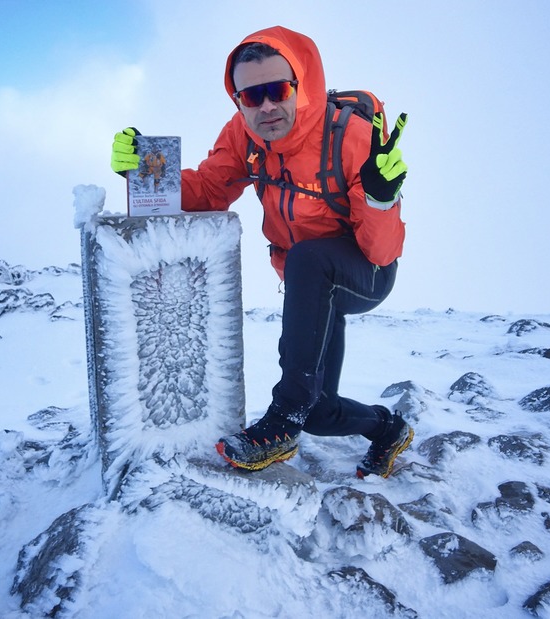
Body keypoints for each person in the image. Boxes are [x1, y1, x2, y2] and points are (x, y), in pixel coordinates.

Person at [110, 26, 413, 478]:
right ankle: (387, 428)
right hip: (312, 285)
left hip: (365, 272)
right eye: (252, 96)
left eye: (279, 89)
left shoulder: (350, 136)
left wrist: (380, 198)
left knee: (308, 260)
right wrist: (148, 174)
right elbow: (211, 188)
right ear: (238, 101)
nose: (267, 105)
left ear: (301, 86)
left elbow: (382, 250)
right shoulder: (244, 136)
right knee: (319, 411)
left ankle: (282, 418)